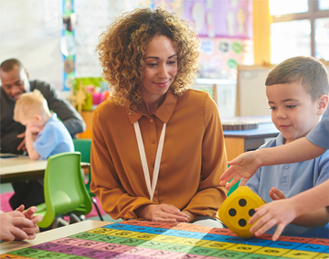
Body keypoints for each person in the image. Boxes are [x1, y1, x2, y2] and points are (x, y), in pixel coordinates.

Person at [90, 8, 227, 227]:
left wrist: (187, 216)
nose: (164, 74)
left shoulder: (202, 107)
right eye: (152, 64)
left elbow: (216, 183)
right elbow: (105, 188)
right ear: (129, 66)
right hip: (137, 219)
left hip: (196, 219)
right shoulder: (106, 116)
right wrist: (146, 210)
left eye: (171, 62)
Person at [220, 57, 329, 240]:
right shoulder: (265, 152)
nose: (280, 115)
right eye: (273, 107)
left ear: (321, 105)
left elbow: (323, 215)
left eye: (290, 106)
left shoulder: (324, 157)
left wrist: (291, 208)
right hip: (265, 241)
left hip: (314, 243)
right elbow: (247, 200)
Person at [0, 58, 85, 154]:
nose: (14, 90)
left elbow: (77, 123)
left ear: (27, 75)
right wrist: (13, 140)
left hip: (47, 157)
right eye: (8, 87)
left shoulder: (44, 90)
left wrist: (43, 133)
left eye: (19, 83)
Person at [9, 89, 74, 209]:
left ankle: (42, 226)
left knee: (22, 204)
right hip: (56, 182)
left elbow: (33, 156)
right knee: (17, 200)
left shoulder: (50, 129)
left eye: (27, 124)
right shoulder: (53, 124)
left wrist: (28, 133)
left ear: (37, 119)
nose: (26, 127)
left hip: (57, 187)